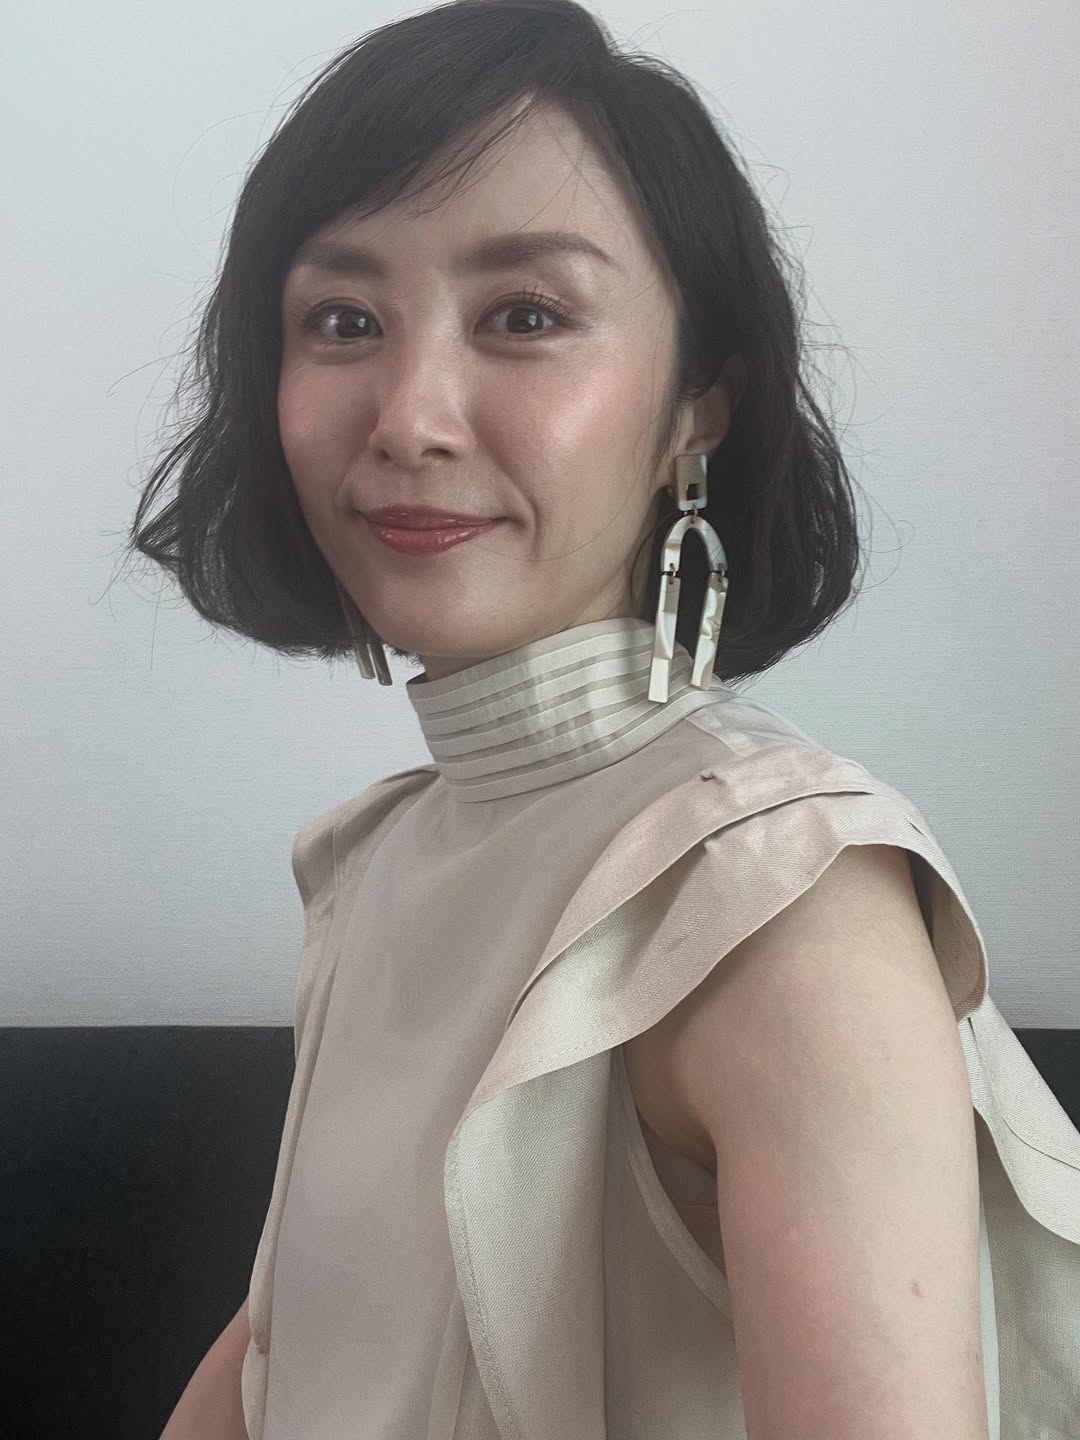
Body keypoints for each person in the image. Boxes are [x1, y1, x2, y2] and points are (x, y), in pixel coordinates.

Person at [129, 3, 1080, 1438]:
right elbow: (305, 1331)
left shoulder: (778, 902)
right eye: (343, 321)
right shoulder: (379, 859)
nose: (409, 415)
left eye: (525, 316)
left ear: (700, 403)